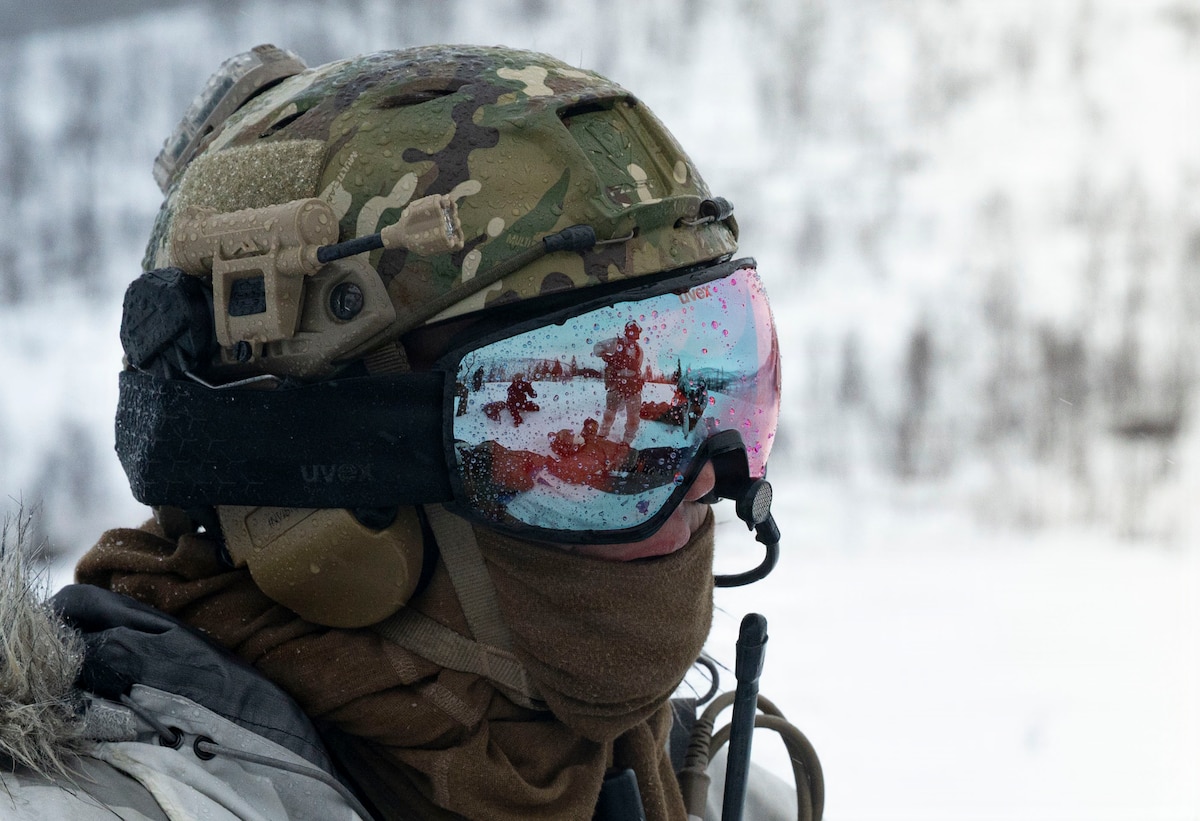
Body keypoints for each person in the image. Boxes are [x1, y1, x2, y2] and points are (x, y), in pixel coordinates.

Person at [0, 44, 821, 820]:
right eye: (574, 425)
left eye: (711, 387)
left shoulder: (705, 787)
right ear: (324, 496)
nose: (708, 477)